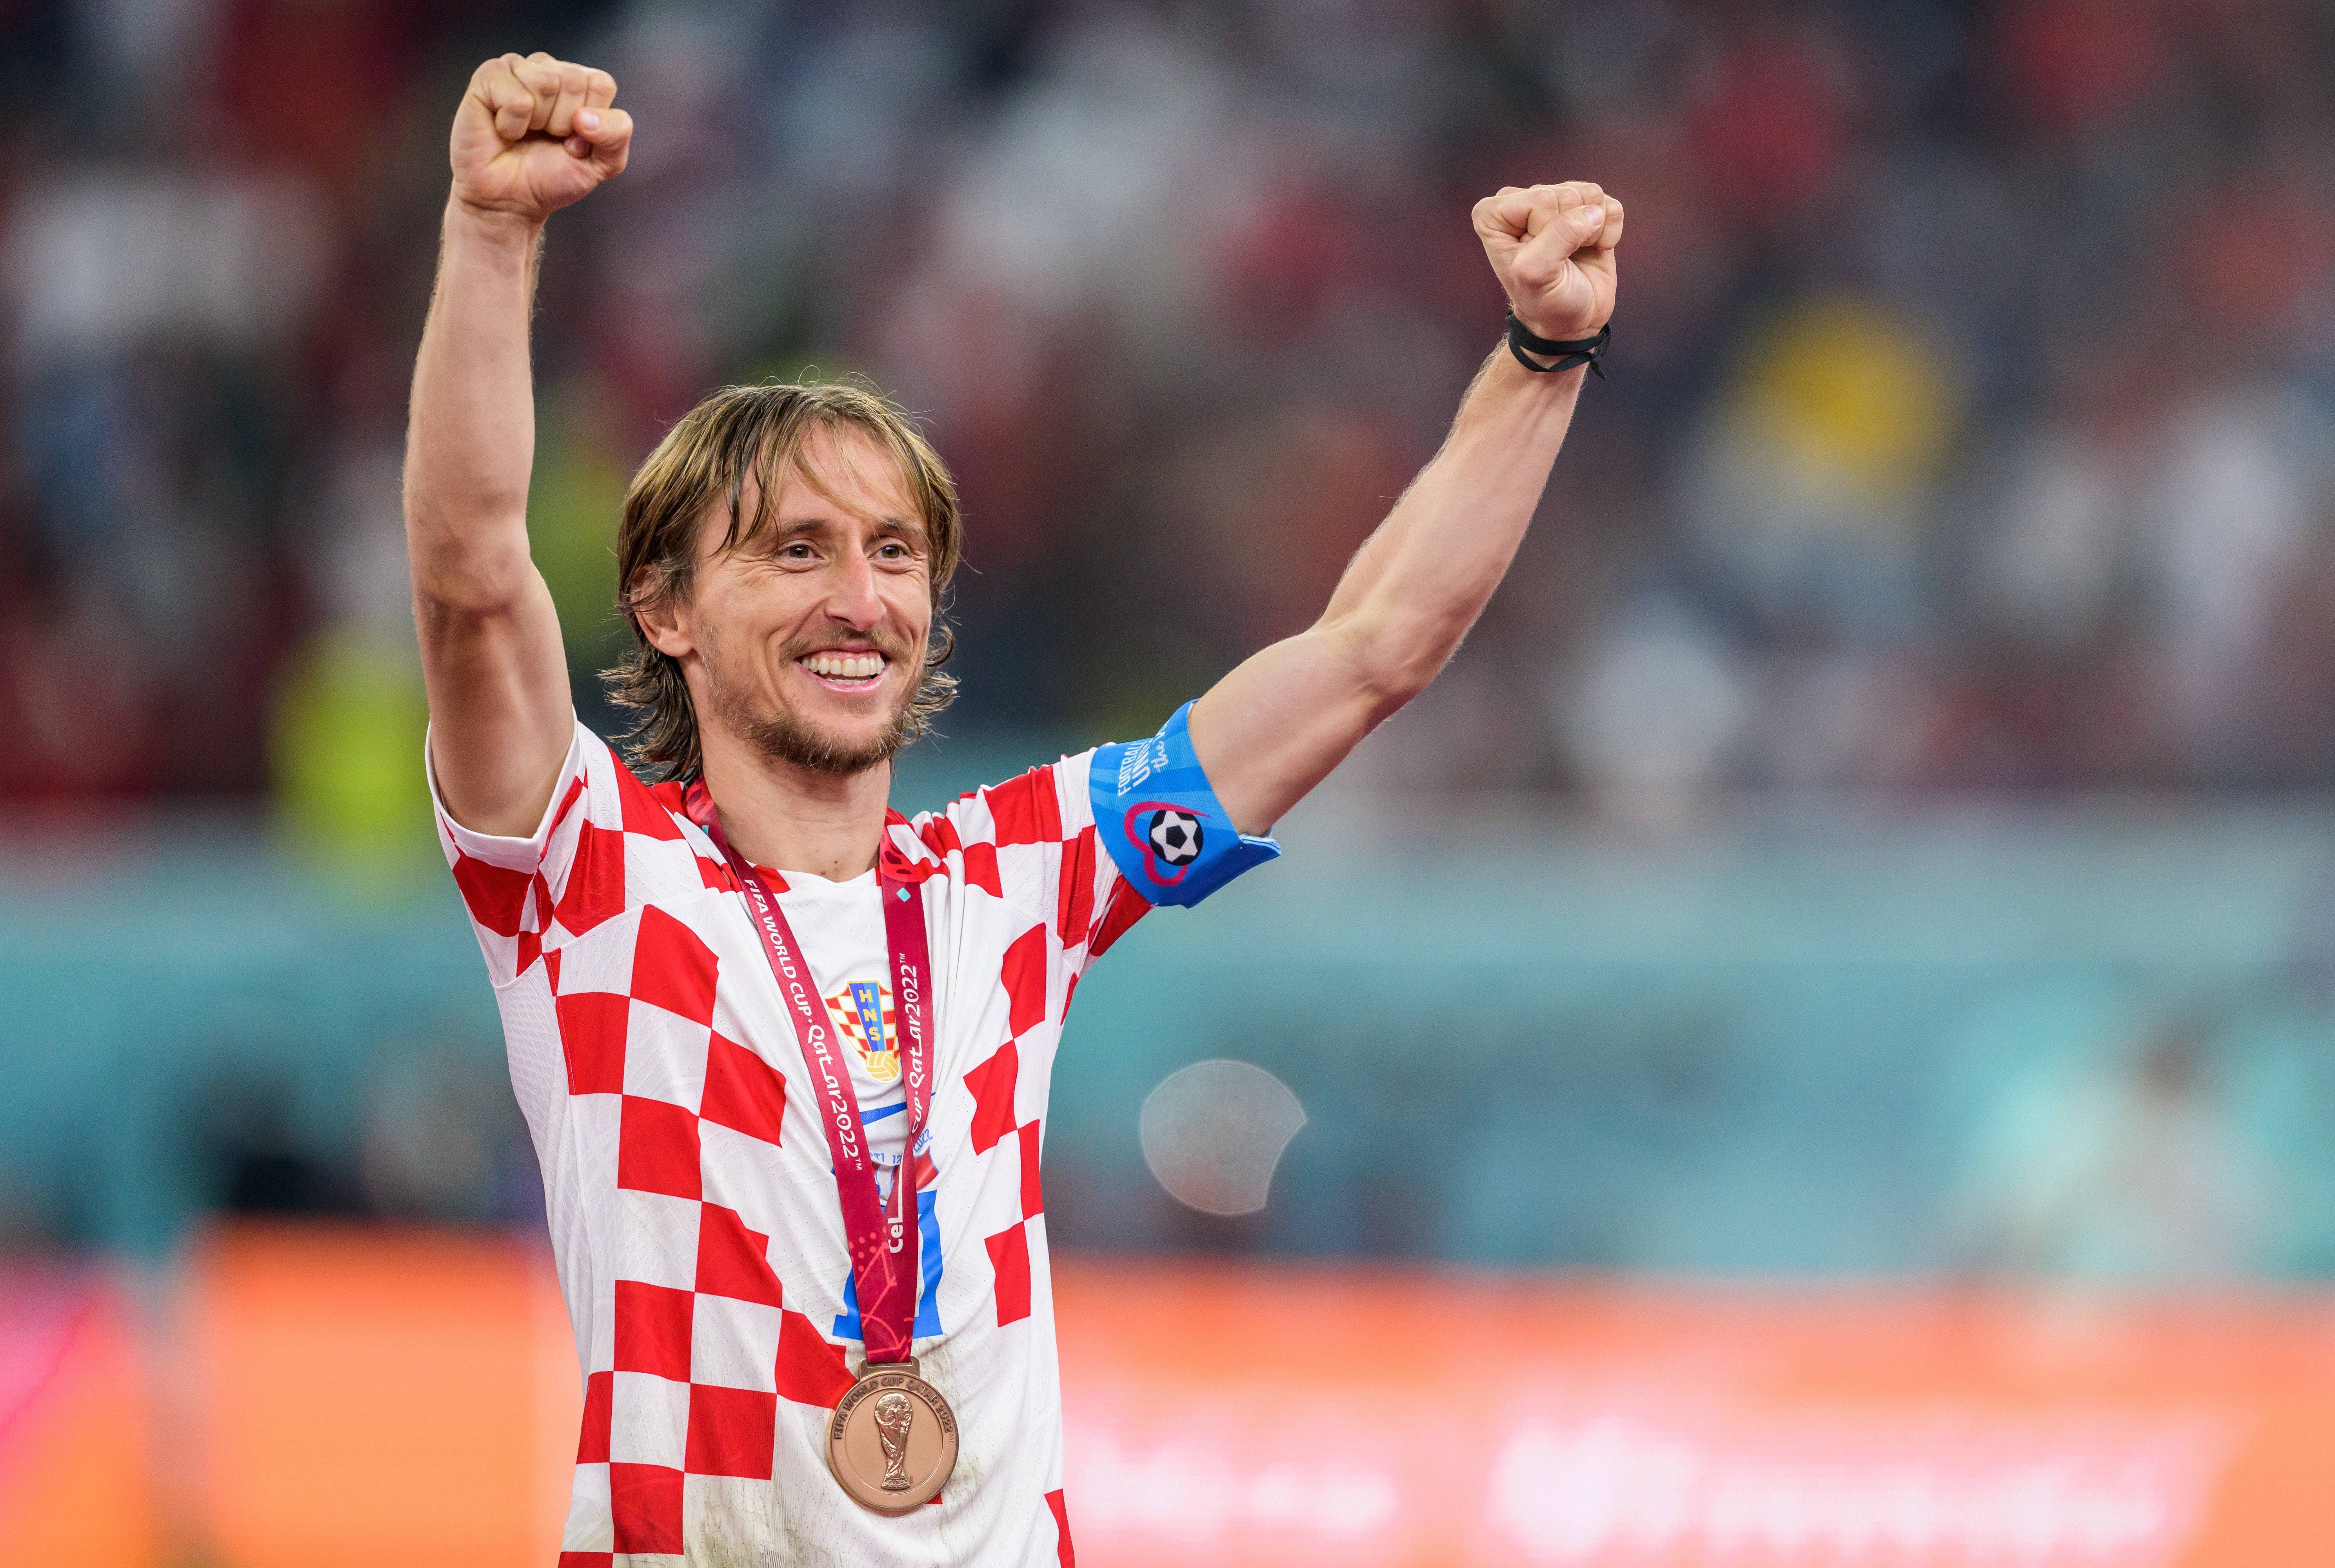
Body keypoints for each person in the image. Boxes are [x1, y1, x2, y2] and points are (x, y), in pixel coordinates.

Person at [405, 48, 1622, 1568]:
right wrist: (493, 232)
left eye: (895, 554)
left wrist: (1540, 356)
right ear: (664, 606)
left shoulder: (1011, 878)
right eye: (793, 552)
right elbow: (468, 577)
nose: (860, 599)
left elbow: (1372, 650)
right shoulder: (591, 873)